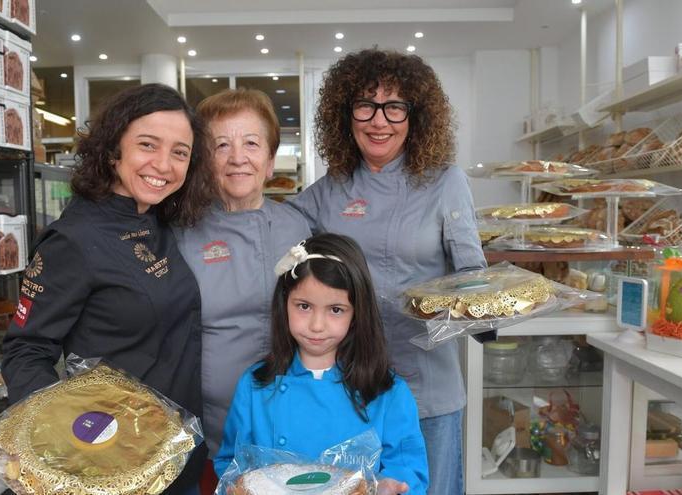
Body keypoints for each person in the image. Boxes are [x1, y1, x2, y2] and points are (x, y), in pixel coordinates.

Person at [289, 49, 489, 494]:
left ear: (415, 116)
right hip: (349, 389)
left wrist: (486, 310)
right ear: (346, 115)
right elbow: (272, 239)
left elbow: (473, 274)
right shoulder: (327, 192)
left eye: (394, 106)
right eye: (366, 105)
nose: (379, 121)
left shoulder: (446, 182)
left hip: (427, 389)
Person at [1, 83, 214, 495]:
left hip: (179, 452)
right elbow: (26, 350)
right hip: (114, 465)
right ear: (114, 149)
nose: (164, 165)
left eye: (180, 152)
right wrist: (64, 436)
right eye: (148, 145)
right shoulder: (73, 240)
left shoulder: (159, 220)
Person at [214, 233, 429, 495]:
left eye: (335, 309)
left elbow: (408, 468)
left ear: (357, 313)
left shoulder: (387, 391)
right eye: (304, 306)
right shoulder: (256, 385)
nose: (317, 325)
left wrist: (390, 486)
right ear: (284, 304)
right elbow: (230, 465)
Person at [174, 88, 310, 457]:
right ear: (204, 161)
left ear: (270, 160)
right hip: (211, 427)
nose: (237, 158)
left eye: (251, 143)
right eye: (221, 146)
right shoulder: (182, 234)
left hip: (296, 417)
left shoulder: (298, 226)